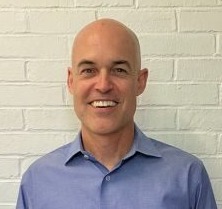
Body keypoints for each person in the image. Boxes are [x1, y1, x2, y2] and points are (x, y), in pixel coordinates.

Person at [16, 18, 217, 209]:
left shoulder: (188, 177)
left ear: (140, 81)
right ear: (71, 81)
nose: (103, 85)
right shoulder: (37, 181)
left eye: (119, 70)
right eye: (88, 70)